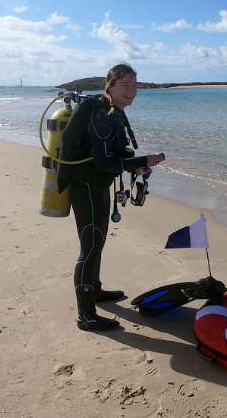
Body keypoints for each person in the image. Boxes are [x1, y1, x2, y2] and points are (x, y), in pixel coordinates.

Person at [57, 64, 166, 331]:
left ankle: (94, 289)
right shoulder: (102, 112)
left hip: (96, 184)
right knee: (91, 245)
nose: (132, 92)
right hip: (86, 185)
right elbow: (105, 161)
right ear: (110, 86)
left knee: (98, 240)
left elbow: (113, 152)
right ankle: (86, 316)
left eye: (135, 86)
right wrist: (142, 160)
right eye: (125, 86)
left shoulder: (111, 109)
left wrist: (135, 163)